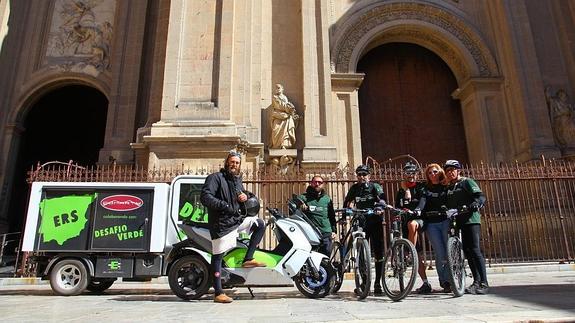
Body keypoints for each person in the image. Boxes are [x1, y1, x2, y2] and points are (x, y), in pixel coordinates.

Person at [200, 152, 267, 303]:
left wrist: (245, 197)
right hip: (222, 223)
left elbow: (240, 196)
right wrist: (224, 206)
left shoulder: (237, 181)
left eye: (237, 163)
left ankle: (248, 258)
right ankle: (218, 293)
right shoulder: (215, 178)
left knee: (259, 224)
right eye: (232, 162)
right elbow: (205, 197)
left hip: (235, 221)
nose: (234, 165)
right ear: (226, 163)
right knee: (218, 256)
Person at [443, 159, 489, 295]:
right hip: (458, 220)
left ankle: (484, 283)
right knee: (467, 252)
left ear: (458, 170)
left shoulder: (466, 182)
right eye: (447, 171)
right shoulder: (449, 187)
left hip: (471, 220)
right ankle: (476, 281)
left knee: (475, 250)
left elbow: (480, 196)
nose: (450, 172)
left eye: (452, 170)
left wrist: (476, 204)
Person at [343, 164, 387, 295]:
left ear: (369, 176)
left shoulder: (375, 186)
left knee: (379, 253)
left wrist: (380, 207)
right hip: (361, 221)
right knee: (361, 253)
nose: (362, 177)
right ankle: (364, 281)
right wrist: (346, 213)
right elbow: (347, 202)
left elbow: (382, 199)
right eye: (359, 175)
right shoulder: (355, 188)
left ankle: (378, 283)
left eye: (364, 174)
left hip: (375, 221)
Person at [394, 161, 429, 294]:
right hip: (406, 224)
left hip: (419, 220)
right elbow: (398, 206)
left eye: (413, 172)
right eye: (408, 173)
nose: (411, 175)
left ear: (416, 174)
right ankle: (425, 282)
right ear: (404, 174)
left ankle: (408, 252)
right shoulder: (401, 191)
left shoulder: (421, 187)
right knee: (418, 256)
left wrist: (418, 210)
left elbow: (423, 200)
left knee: (412, 224)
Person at [418, 163, 450, 293]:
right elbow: (422, 201)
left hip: (446, 220)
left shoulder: (446, 186)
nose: (433, 174)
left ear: (440, 172)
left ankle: (453, 277)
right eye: (430, 173)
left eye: (435, 171)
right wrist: (418, 210)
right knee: (440, 252)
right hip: (431, 223)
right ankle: (444, 281)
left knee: (450, 250)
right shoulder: (425, 188)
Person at [298, 175, 337, 256]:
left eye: (320, 182)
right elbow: (292, 210)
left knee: (325, 257)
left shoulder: (327, 199)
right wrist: (300, 207)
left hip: (326, 232)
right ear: (311, 183)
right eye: (315, 182)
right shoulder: (303, 198)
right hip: (310, 233)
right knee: (311, 256)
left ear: (323, 184)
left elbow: (331, 216)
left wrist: (334, 231)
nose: (317, 184)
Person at [269, 83, 299, 149]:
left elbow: (285, 105)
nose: (277, 89)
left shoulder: (285, 97)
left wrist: (290, 109)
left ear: (282, 89)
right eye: (276, 88)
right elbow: (279, 106)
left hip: (286, 116)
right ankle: (277, 145)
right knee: (275, 129)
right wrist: (289, 108)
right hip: (277, 115)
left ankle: (284, 145)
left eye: (279, 88)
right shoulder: (275, 97)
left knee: (286, 131)